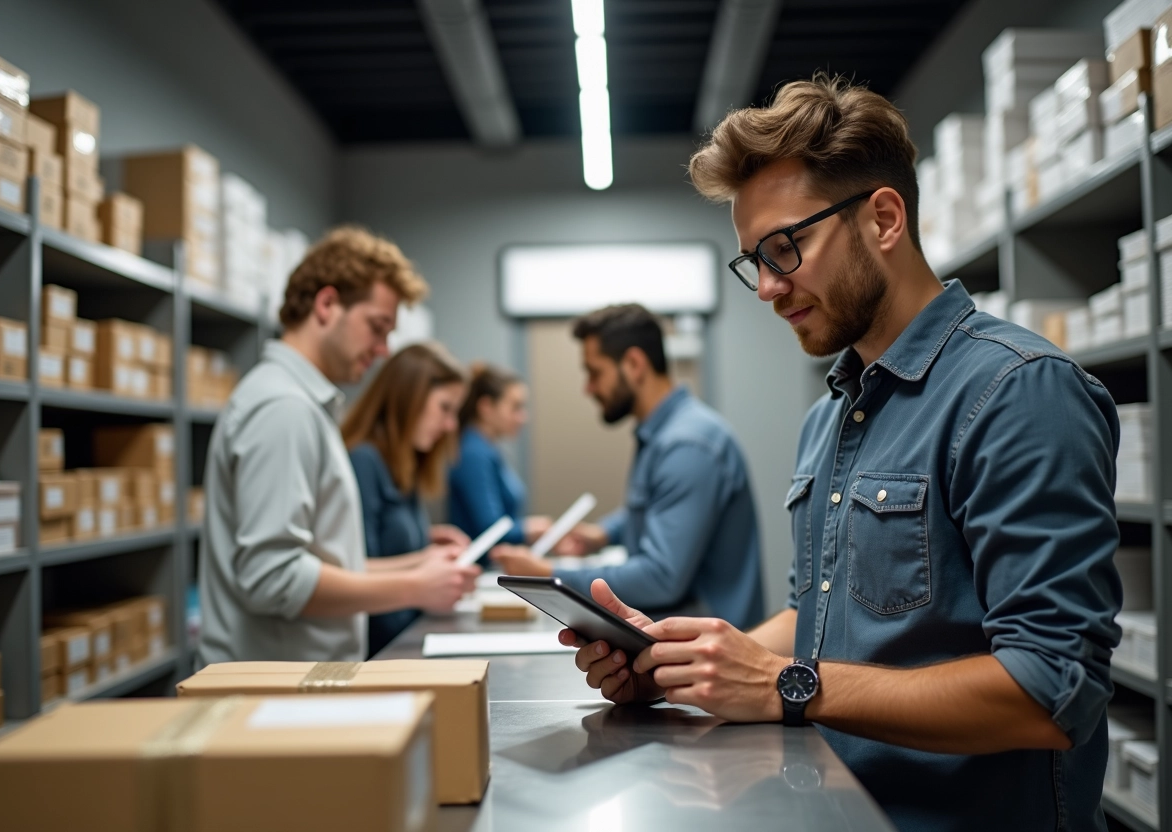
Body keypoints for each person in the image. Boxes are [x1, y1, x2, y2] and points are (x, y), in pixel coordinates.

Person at [565, 76, 1122, 832]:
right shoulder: (828, 419)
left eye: (785, 248)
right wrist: (675, 665)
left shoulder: (1018, 393)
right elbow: (818, 617)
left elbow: (1051, 689)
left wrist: (787, 685)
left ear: (884, 218)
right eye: (751, 260)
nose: (765, 286)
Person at [198, 226, 479, 666]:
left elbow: (326, 565)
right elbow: (274, 579)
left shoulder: (302, 404)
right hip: (273, 698)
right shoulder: (283, 408)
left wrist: (417, 566)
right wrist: (413, 587)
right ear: (327, 305)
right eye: (377, 327)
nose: (383, 349)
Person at [493, 304, 765, 630]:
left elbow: (661, 577)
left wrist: (548, 576)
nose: (588, 388)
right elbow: (659, 506)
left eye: (595, 373)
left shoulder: (687, 445)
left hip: (707, 656)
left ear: (634, 364)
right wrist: (604, 533)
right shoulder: (665, 434)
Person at [341, 342, 474, 656]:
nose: (451, 425)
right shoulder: (364, 460)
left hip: (408, 635)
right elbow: (352, 568)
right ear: (408, 395)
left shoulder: (404, 461)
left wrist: (429, 542)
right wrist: (423, 562)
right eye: (445, 408)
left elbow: (382, 537)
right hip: (379, 650)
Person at [448, 363, 551, 547]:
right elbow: (490, 529)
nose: (523, 417)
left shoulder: (487, 449)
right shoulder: (474, 454)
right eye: (515, 407)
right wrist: (531, 529)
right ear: (486, 407)